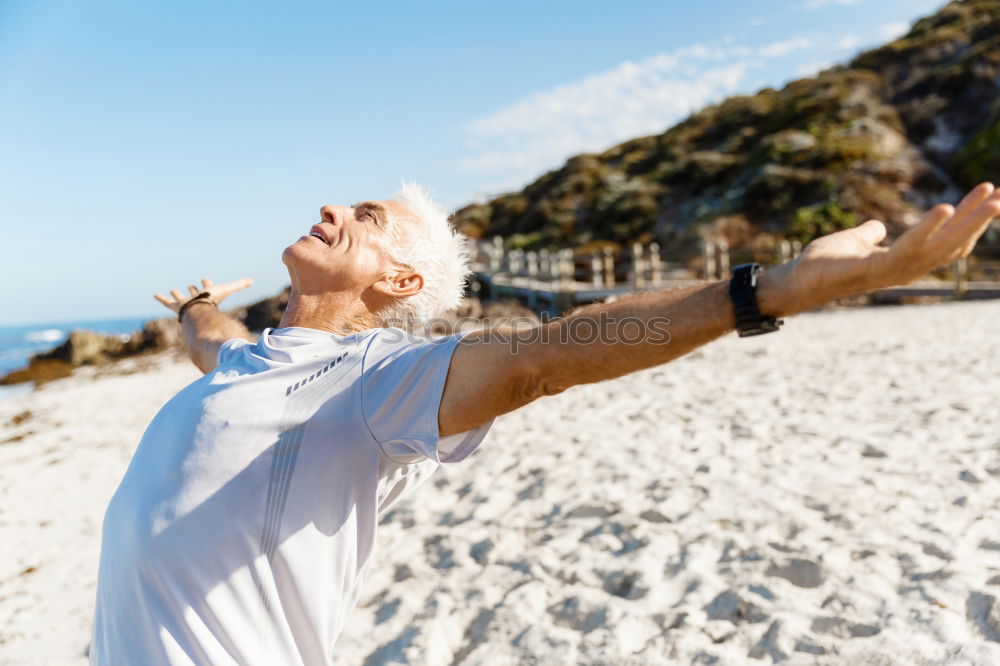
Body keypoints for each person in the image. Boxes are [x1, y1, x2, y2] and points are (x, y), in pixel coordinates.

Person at [89, 181, 1000, 665]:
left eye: (363, 217)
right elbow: (212, 340)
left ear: (401, 286)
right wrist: (197, 307)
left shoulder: (373, 382)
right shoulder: (247, 359)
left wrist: (773, 291)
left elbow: (543, 357)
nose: (329, 208)